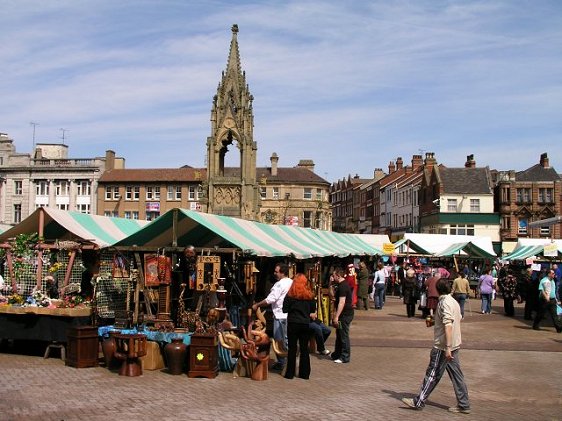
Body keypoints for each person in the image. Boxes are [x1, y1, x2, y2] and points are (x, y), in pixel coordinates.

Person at [402, 278, 471, 413]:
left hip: (444, 346)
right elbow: (455, 319)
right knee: (457, 375)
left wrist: (448, 347)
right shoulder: (453, 302)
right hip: (454, 344)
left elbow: (448, 324)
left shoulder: (444, 302)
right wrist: (435, 321)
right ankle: (464, 404)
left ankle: (419, 401)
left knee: (433, 374)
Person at [252, 263, 293, 371]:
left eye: (276, 271)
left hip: (280, 315)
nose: (274, 273)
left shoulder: (279, 284)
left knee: (279, 340)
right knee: (286, 339)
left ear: (282, 272)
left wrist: (257, 305)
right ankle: (288, 362)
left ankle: (283, 363)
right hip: (289, 315)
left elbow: (270, 300)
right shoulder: (291, 282)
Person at [282, 273, 316, 379]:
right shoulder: (309, 296)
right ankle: (304, 374)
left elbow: (284, 309)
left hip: (293, 323)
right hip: (305, 323)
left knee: (292, 349)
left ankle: (290, 373)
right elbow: (312, 310)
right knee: (304, 349)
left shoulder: (290, 295)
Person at [330, 267, 354, 364]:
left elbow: (342, 302)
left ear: (338, 275)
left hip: (345, 315)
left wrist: (336, 316)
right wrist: (330, 284)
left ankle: (345, 356)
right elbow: (332, 296)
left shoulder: (343, 286)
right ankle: (337, 353)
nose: (333, 277)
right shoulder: (339, 285)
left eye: (334, 275)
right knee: (339, 334)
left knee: (343, 334)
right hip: (342, 315)